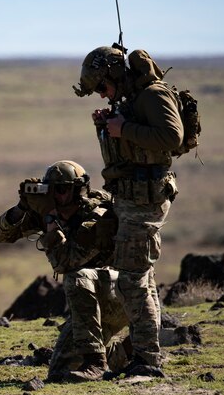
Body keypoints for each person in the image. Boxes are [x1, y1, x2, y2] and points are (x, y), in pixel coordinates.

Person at [73, 45, 183, 377]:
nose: (104, 96)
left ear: (114, 75)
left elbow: (172, 137)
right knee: (140, 280)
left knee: (132, 283)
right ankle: (143, 355)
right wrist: (109, 127)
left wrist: (125, 129)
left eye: (103, 88)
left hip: (144, 201)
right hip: (131, 199)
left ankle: (147, 362)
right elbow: (131, 151)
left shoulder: (151, 95)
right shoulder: (131, 101)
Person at [0, 160, 130, 382]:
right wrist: (22, 208)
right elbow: (1, 234)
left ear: (78, 190)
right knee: (59, 372)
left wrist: (49, 222)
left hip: (119, 294)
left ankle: (96, 362)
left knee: (77, 277)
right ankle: (123, 354)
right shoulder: (51, 212)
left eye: (62, 189)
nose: (56, 196)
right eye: (51, 190)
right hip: (88, 302)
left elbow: (66, 263)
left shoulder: (96, 216)